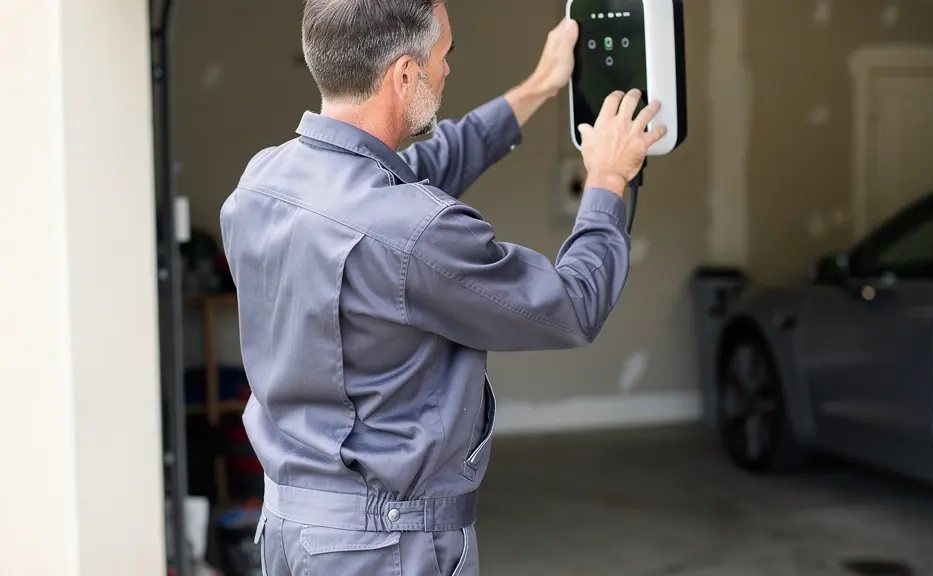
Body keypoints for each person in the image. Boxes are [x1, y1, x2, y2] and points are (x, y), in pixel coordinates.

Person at [219, 1, 667, 574]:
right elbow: (572, 306)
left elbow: (417, 172)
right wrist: (607, 178)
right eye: (442, 55)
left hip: (289, 529)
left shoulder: (263, 181)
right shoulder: (410, 229)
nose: (448, 70)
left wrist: (536, 89)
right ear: (404, 73)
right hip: (381, 549)